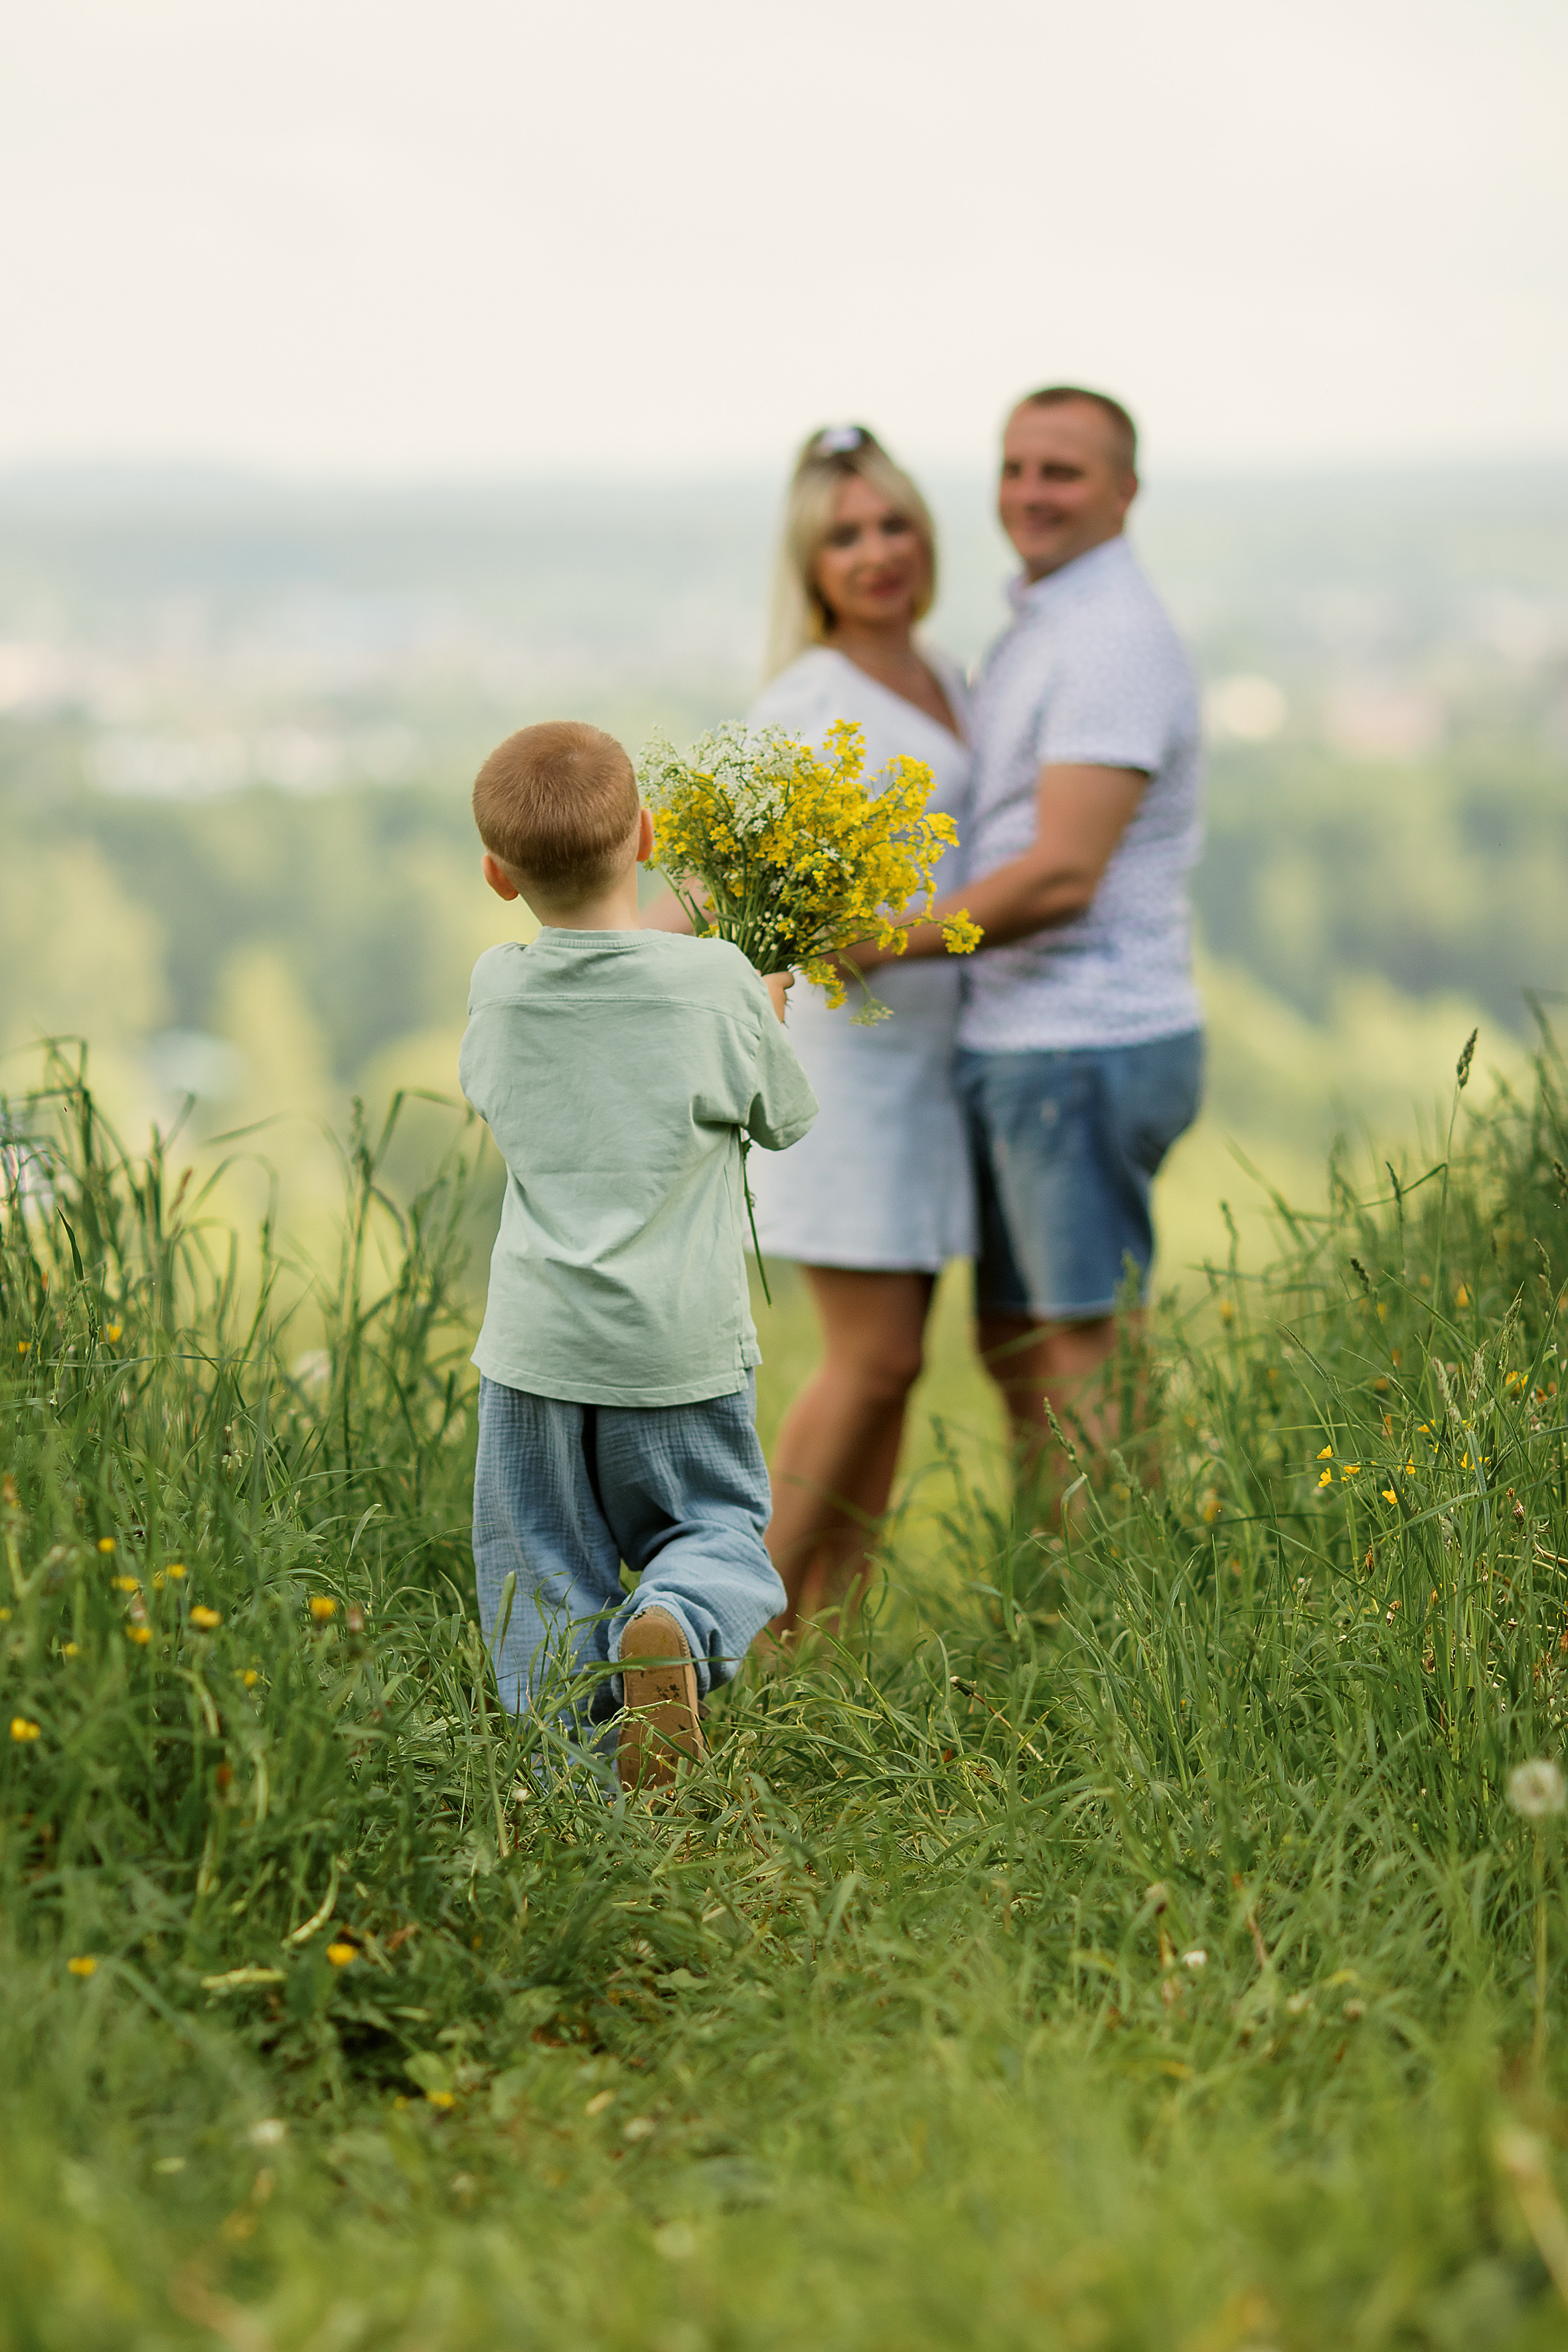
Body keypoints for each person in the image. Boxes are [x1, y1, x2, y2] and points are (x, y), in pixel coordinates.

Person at [840, 387, 1204, 1490]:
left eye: (1063, 471)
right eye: (1015, 468)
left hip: (1081, 1042)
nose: (1030, 494)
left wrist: (878, 940)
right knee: (1018, 1354)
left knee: (1082, 1353)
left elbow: (1060, 875)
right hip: (1026, 1043)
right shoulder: (1045, 625)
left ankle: (1136, 1619)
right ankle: (1054, 1617)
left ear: (1124, 489)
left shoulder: (1109, 637)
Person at [653, 425, 974, 1630]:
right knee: (871, 1359)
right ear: (809, 562)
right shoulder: (806, 699)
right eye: (844, 535)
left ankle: (818, 1648)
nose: (876, 551)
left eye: (894, 524)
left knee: (898, 1370)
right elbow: (723, 879)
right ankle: (719, 1635)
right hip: (853, 1062)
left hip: (938, 1064)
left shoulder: (948, 674)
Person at [459, 721, 817, 1788]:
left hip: (536, 1352)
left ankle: (567, 1794)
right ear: (650, 837)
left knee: (537, 1572)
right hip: (678, 1348)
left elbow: (494, 1095)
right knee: (714, 1528)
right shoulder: (714, 981)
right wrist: (764, 1015)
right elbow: (784, 1119)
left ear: (496, 877)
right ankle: (677, 1616)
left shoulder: (497, 984)